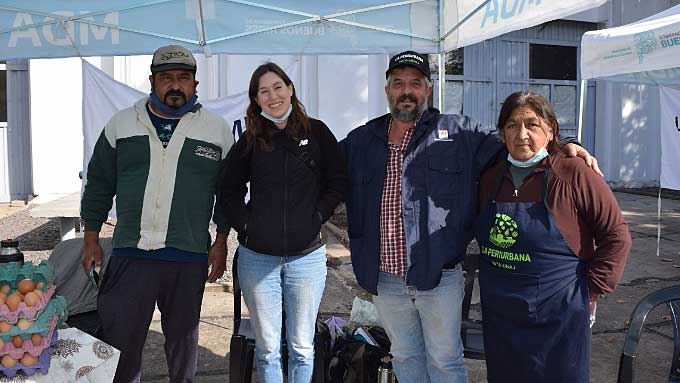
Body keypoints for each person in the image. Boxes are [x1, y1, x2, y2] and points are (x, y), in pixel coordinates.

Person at [340, 51, 600, 383]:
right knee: (405, 356)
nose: (407, 91)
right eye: (398, 83)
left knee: (446, 361)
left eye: (415, 84)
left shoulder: (459, 132)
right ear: (387, 89)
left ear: (429, 89)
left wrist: (566, 146)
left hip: (439, 277)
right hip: (386, 278)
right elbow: (322, 166)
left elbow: (519, 144)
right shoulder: (363, 140)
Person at [80, 45, 234, 383]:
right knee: (121, 345)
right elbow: (99, 185)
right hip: (130, 255)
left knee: (182, 345)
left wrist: (221, 241)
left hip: (188, 254)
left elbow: (229, 193)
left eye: (183, 78)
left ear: (195, 84)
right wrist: (91, 238)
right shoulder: (122, 124)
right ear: (152, 81)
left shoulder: (217, 130)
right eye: (166, 78)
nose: (175, 85)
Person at [475, 91, 631, 382]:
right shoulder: (490, 177)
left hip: (560, 317)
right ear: (502, 132)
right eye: (511, 125)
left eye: (532, 124)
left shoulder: (574, 173)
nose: (521, 134)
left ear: (551, 131)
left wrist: (590, 293)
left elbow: (616, 236)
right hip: (502, 318)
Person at [220, 62, 348, 383]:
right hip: (257, 259)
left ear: (290, 89)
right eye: (264, 91)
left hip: (307, 259)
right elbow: (228, 189)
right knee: (267, 349)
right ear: (256, 100)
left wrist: (317, 215)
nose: (273, 96)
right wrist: (246, 226)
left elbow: (338, 181)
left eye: (278, 87)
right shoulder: (250, 139)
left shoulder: (317, 132)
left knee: (303, 347)